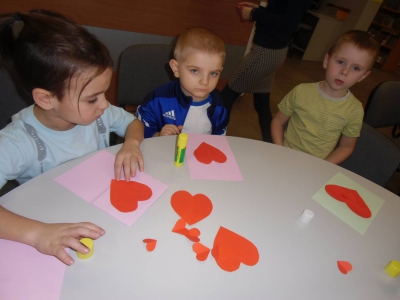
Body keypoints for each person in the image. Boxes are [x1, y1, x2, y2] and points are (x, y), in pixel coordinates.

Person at [0, 10, 145, 265]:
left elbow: (133, 122)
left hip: (104, 214)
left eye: (103, 94)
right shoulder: (16, 143)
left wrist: (131, 143)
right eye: (92, 99)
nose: (104, 105)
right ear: (46, 99)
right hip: (50, 226)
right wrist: (38, 233)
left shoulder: (99, 114)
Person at [271, 30, 380, 164]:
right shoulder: (300, 91)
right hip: (284, 157)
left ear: (363, 76)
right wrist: (280, 149)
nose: (344, 72)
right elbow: (277, 121)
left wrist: (323, 166)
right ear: (327, 61)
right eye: (340, 62)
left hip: (316, 167)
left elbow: (346, 147)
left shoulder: (355, 110)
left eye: (356, 68)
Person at [221, 0, 313, 143]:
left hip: (266, 52)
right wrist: (258, 9)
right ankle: (272, 145)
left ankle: (213, 138)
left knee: (225, 97)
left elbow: (288, 24)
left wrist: (254, 13)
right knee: (262, 104)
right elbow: (283, 14)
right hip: (270, 51)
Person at [137, 27, 229, 138]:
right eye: (195, 71)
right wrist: (158, 135)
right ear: (176, 68)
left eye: (213, 73)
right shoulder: (158, 99)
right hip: (164, 152)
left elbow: (219, 137)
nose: (205, 81)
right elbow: (139, 128)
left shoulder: (219, 104)